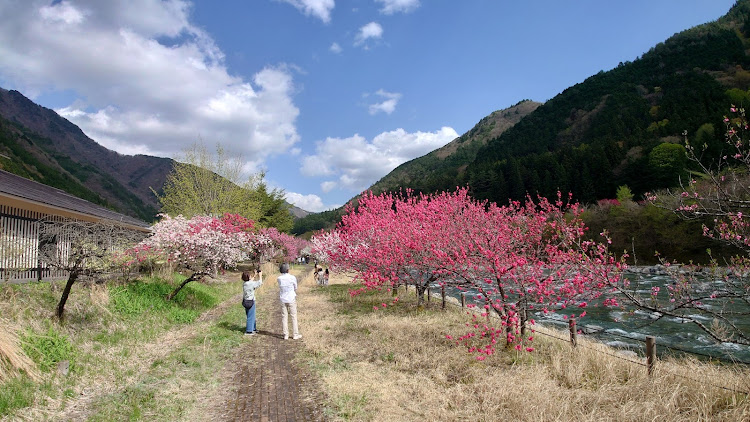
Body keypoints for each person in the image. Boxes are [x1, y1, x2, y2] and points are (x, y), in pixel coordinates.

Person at [277, 263, 301, 340]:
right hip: (291, 298)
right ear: (288, 270)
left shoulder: (279, 278)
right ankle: (295, 334)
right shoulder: (292, 277)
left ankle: (286, 335)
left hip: (283, 299)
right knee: (293, 316)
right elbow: (295, 287)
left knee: (284, 316)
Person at [242, 269, 263, 335]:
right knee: (250, 316)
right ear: (249, 277)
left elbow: (250, 281)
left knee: (251, 315)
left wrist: (255, 275)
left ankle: (253, 329)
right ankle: (249, 331)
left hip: (245, 301)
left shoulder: (245, 283)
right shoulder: (251, 284)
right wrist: (260, 276)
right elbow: (259, 283)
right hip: (251, 302)